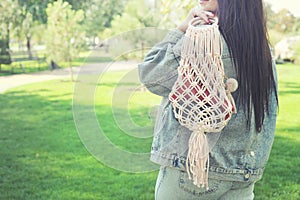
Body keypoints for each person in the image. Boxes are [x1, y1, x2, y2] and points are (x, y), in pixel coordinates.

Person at [138, 0, 278, 199]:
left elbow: (151, 74)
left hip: (193, 172)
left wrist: (181, 28)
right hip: (243, 175)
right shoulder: (260, 49)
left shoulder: (203, 39)